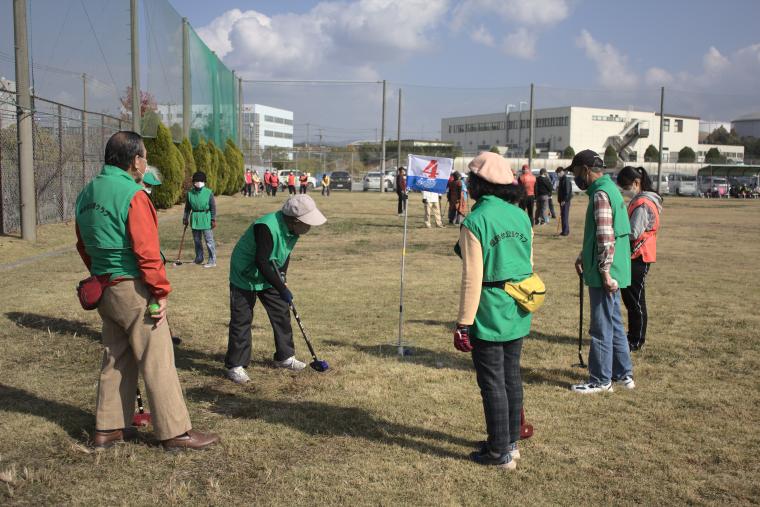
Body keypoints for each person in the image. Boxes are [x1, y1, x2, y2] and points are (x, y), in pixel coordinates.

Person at [74, 131, 219, 450]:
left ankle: (108, 428)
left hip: (104, 287)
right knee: (158, 359)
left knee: (116, 356)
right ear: (135, 161)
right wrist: (160, 291)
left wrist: (99, 272)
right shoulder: (133, 194)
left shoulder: (86, 193)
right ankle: (175, 432)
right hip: (134, 289)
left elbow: (82, 244)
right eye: (145, 157)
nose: (146, 163)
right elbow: (147, 251)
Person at [453, 152, 530, 469]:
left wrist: (463, 323)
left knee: (492, 383)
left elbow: (472, 278)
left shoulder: (475, 220)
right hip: (518, 306)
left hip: (488, 309)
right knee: (511, 378)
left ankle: (500, 453)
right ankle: (509, 443)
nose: (468, 183)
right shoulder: (521, 215)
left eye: (470, 178)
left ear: (480, 183)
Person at [225, 195, 327, 383]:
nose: (310, 227)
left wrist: (283, 278)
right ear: (296, 220)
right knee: (242, 319)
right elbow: (262, 261)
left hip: (268, 273)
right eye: (308, 222)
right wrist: (281, 287)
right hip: (245, 273)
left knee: (281, 312)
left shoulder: (293, 231)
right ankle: (236, 365)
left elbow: (283, 255)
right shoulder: (265, 226)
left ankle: (284, 357)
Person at [568, 150, 634, 394]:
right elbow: (601, 232)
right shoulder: (609, 189)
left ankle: (600, 380)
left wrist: (605, 272)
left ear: (585, 169)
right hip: (614, 268)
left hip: (606, 271)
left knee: (601, 327)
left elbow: (606, 236)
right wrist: (582, 256)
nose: (575, 177)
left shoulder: (599, 194)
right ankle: (623, 374)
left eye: (575, 171)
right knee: (614, 323)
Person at [617, 166, 662, 351]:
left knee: (635, 301)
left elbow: (633, 232)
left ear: (636, 183)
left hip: (638, 255)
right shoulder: (640, 201)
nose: (623, 191)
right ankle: (633, 335)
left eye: (625, 187)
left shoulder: (643, 203)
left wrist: (616, 231)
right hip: (635, 255)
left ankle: (637, 338)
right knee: (630, 299)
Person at [142, 168, 182, 346]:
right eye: (147, 184)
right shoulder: (135, 198)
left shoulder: (145, 198)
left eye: (151, 185)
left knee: (158, 300)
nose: (150, 188)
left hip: (153, 257)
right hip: (144, 261)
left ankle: (165, 333)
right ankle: (159, 336)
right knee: (152, 299)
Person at [183, 171, 217, 268]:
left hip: (206, 217)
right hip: (195, 218)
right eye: (197, 181)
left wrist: (213, 219)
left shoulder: (208, 192)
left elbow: (213, 207)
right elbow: (187, 208)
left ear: (204, 182)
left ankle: (212, 260)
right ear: (193, 182)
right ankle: (199, 258)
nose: (199, 183)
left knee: (209, 241)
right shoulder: (190, 194)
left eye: (201, 181)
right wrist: (185, 218)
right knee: (197, 240)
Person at [556, 166, 573, 236]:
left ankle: (565, 231)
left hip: (565, 201)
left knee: (565, 215)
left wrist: (564, 200)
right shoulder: (561, 179)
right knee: (563, 215)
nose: (558, 174)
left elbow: (567, 191)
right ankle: (565, 230)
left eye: (558, 173)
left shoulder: (565, 180)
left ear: (561, 172)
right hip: (562, 201)